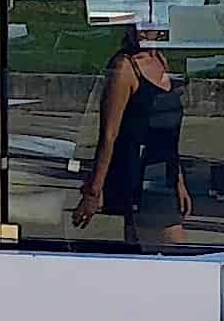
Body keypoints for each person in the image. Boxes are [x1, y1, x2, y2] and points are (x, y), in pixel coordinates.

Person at [72, 23, 191, 250]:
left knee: (140, 248)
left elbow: (169, 134)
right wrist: (94, 191)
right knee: (176, 248)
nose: (140, 31)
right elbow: (109, 134)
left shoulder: (161, 60)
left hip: (163, 172)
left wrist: (179, 181)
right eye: (135, 25)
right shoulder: (124, 68)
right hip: (138, 173)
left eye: (147, 24)